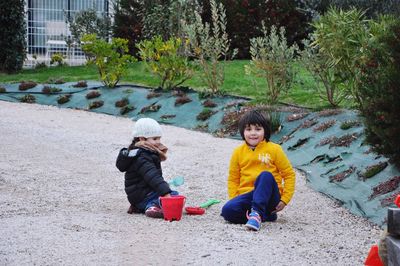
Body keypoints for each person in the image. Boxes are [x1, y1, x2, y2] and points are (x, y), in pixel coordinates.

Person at [221, 109, 296, 231]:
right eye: (248, 129)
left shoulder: (275, 149)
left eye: (258, 129)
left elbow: (289, 174)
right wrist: (235, 199)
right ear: (243, 132)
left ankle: (256, 213)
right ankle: (264, 216)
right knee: (227, 211)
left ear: (265, 130)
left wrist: (285, 199)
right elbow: (233, 178)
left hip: (269, 196)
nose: (253, 133)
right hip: (248, 196)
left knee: (265, 175)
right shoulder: (238, 152)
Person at [116, 117, 175, 218]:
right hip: (143, 196)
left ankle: (138, 206)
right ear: (142, 139)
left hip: (138, 196)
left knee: (169, 193)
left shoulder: (143, 152)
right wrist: (165, 192)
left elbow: (150, 178)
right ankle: (151, 207)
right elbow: (153, 177)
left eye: (159, 138)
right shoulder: (142, 156)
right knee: (173, 195)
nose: (158, 142)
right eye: (155, 139)